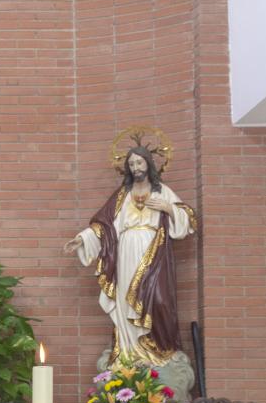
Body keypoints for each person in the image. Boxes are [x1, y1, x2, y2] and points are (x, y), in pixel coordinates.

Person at [64, 144, 198, 367]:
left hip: (154, 252)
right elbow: (105, 226)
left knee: (158, 300)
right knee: (126, 300)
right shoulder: (122, 196)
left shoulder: (162, 192)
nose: (136, 167)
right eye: (132, 164)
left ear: (148, 163)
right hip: (126, 252)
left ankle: (158, 351)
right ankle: (129, 353)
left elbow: (188, 220)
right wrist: (82, 239)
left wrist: (168, 208)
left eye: (140, 162)